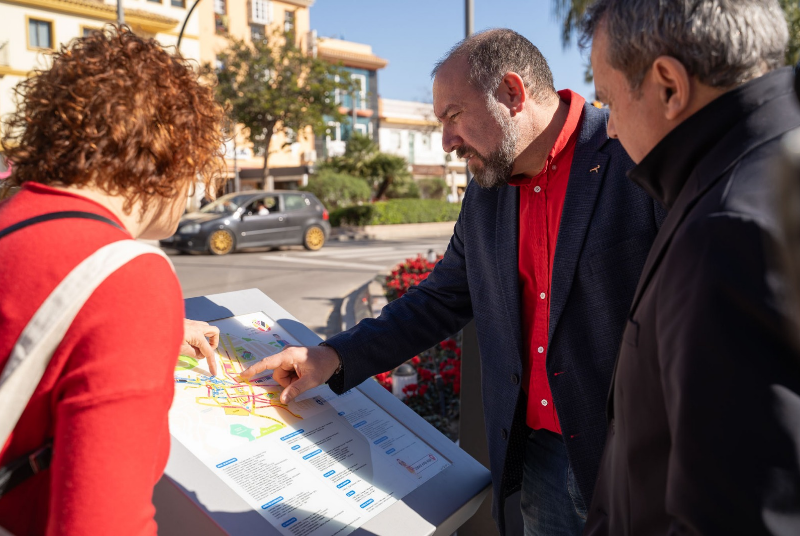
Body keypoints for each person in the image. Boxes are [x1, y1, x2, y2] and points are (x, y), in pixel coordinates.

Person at [242, 29, 664, 535]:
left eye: (453, 116)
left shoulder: (632, 151)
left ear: (512, 93)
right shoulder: (486, 192)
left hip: (642, 468)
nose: (446, 143)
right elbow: (439, 299)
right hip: (539, 464)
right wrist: (330, 357)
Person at [579, 1, 800, 534]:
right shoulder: (770, 173)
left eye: (607, 101)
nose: (607, 129)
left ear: (669, 86)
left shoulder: (726, 232)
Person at [0, 27, 224, 535]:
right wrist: (139, 313)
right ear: (170, 155)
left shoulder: (14, 220)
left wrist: (157, 333)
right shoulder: (129, 277)